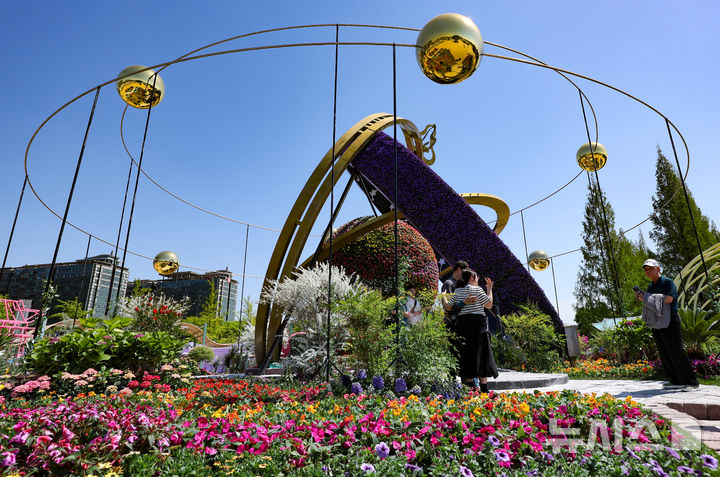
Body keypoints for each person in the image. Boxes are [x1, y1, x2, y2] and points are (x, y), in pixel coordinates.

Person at [635, 258, 699, 390]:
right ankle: (676, 380)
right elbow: (653, 303)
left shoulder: (667, 282)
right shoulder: (651, 286)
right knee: (664, 352)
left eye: (650, 268)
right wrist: (644, 298)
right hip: (656, 321)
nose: (647, 271)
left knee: (676, 350)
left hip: (670, 319)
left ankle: (692, 382)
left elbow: (669, 299)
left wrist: (647, 297)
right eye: (645, 269)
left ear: (658, 268)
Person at [451, 269, 499, 393]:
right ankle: (484, 391)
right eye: (476, 277)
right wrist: (489, 289)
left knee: (466, 357)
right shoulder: (477, 290)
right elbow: (489, 305)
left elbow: (450, 306)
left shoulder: (457, 291)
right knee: (482, 356)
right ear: (472, 278)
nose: (478, 279)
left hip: (462, 326)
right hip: (478, 326)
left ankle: (470, 391)